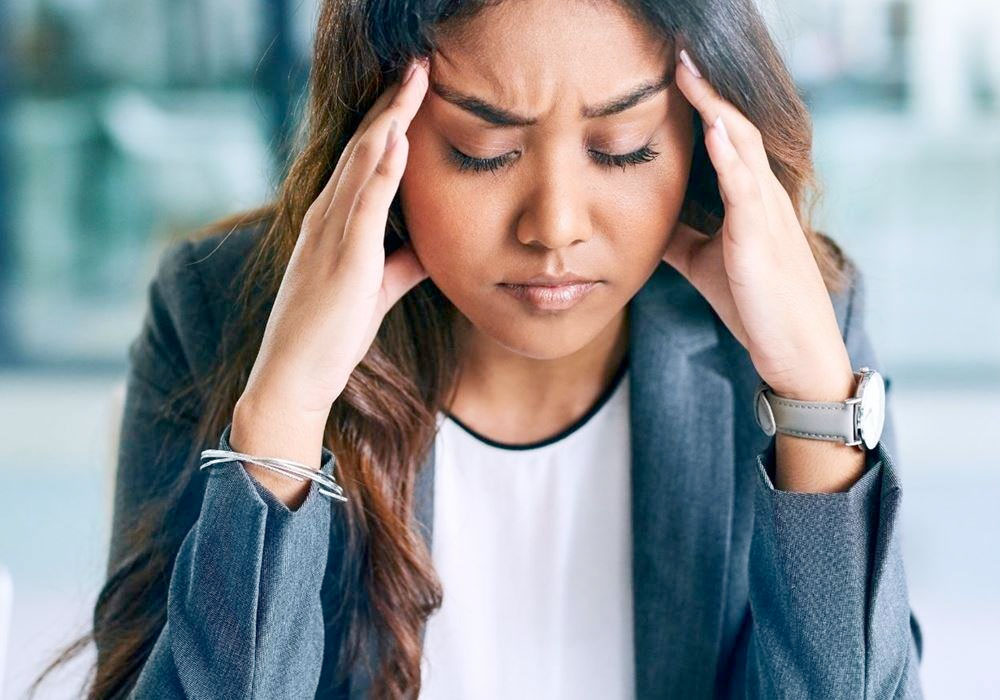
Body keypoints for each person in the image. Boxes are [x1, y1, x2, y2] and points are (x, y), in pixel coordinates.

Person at [32, 0, 925, 697]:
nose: (556, 228)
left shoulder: (789, 331)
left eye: (622, 149)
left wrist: (814, 398)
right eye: (482, 150)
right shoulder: (219, 309)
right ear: (374, 138)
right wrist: (287, 415)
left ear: (700, 142)